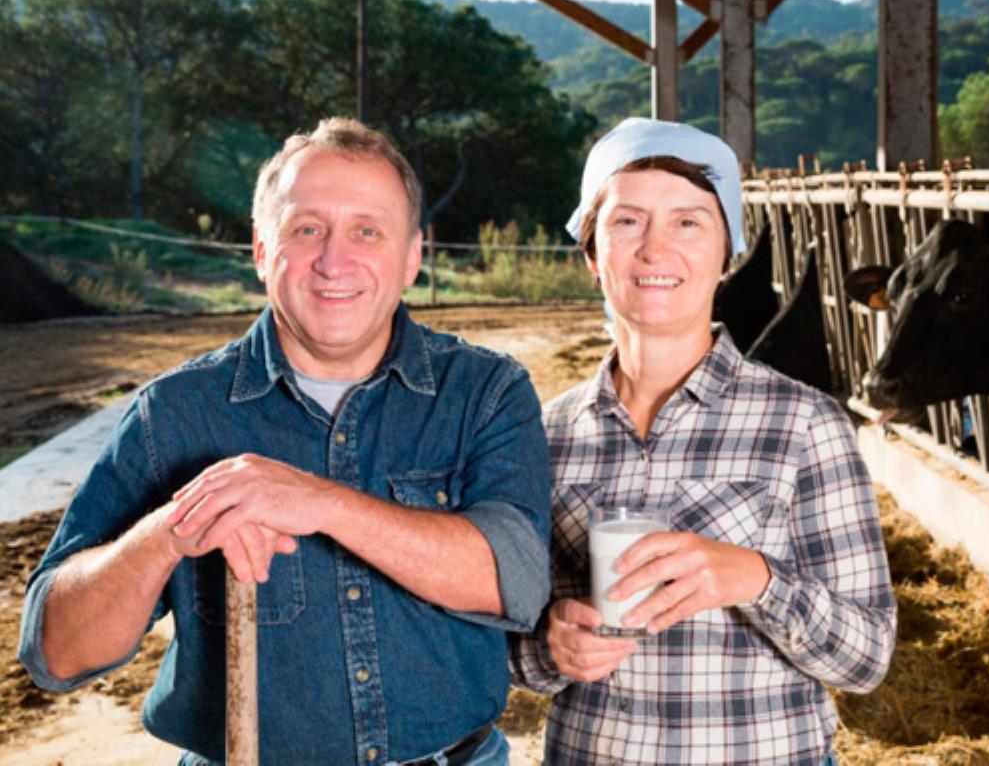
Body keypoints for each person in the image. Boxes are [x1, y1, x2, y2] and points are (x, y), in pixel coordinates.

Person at [19, 117, 551, 765]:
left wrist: (321, 503)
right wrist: (168, 534)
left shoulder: (484, 392)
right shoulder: (176, 413)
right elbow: (56, 652)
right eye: (307, 230)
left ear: (412, 256)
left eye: (367, 231)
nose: (334, 260)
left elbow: (518, 584)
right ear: (263, 250)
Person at [510, 118, 896, 765]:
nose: (655, 251)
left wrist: (756, 580)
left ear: (727, 252)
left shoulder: (804, 424)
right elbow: (511, 648)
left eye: (688, 223)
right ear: (591, 252)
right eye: (627, 222)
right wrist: (548, 648)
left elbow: (868, 658)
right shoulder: (545, 435)